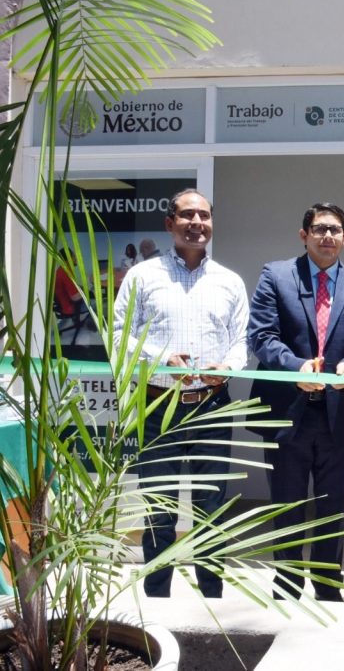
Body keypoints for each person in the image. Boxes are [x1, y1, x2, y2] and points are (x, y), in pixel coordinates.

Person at [114, 188, 249, 598]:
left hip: (212, 407)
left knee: (212, 510)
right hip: (158, 404)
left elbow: (241, 341)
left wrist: (227, 368)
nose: (197, 223)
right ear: (170, 223)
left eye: (204, 216)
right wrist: (160, 358)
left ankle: (213, 600)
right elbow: (119, 335)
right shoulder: (143, 277)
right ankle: (157, 601)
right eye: (188, 215)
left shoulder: (229, 281)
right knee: (159, 510)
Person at [248, 202, 344, 602]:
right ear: (304, 235)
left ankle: (327, 586)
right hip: (286, 412)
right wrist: (296, 367)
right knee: (285, 505)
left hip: (340, 414)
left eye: (335, 229)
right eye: (320, 228)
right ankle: (287, 586)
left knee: (332, 506)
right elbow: (262, 336)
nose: (327, 236)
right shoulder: (276, 275)